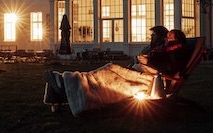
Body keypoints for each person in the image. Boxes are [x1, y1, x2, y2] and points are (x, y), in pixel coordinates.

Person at [44, 27, 190, 115]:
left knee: (108, 73)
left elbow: (169, 69)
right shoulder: (165, 49)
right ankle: (64, 82)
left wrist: (148, 62)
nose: (167, 37)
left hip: (150, 81)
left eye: (170, 36)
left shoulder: (177, 51)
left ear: (177, 39)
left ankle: (66, 82)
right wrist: (144, 60)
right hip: (142, 73)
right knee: (108, 70)